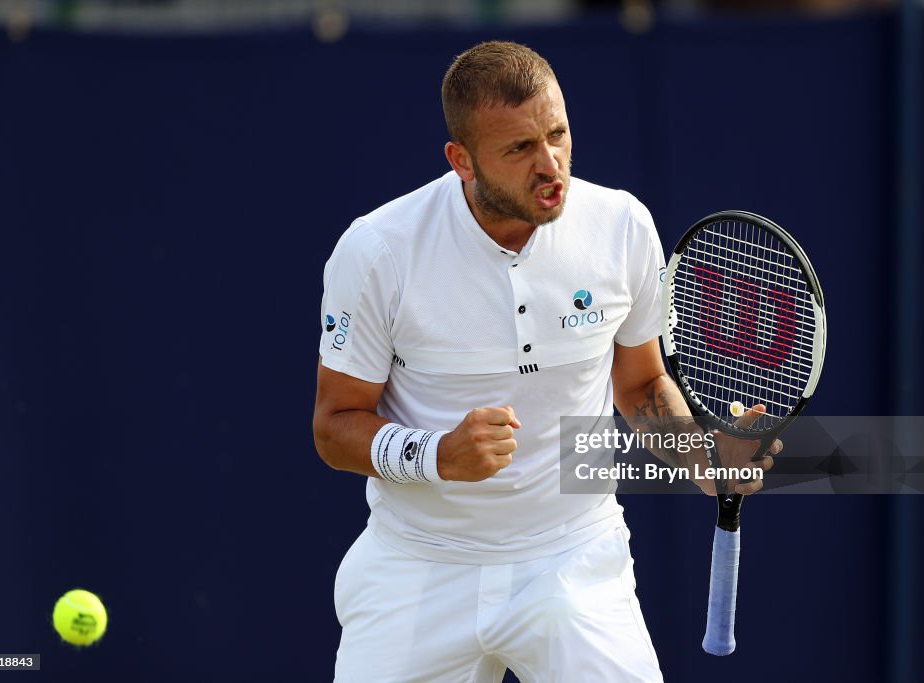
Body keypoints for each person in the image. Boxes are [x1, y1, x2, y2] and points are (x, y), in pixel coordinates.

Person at [313, 40, 779, 682]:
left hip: (573, 558)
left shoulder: (621, 226)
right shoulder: (378, 252)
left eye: (557, 134)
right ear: (462, 161)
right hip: (416, 565)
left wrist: (702, 457)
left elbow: (640, 382)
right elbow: (335, 425)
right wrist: (437, 454)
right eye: (519, 149)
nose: (550, 164)